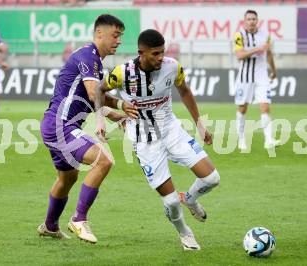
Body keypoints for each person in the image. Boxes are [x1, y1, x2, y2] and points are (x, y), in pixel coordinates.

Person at [100, 29, 221, 250]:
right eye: (155, 54)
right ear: (141, 53)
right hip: (145, 142)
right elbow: (99, 91)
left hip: (172, 131)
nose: (160, 58)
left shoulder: (172, 67)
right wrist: (115, 108)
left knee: (212, 178)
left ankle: (191, 199)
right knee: (171, 202)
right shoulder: (121, 73)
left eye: (162, 52)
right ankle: (185, 233)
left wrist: (200, 124)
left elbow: (184, 91)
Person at [37, 14, 136, 244]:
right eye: (115, 35)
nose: (119, 40)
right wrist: (105, 119)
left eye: (120, 36)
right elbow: (94, 95)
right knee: (104, 161)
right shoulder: (87, 56)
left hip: (56, 125)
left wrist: (120, 110)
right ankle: (79, 218)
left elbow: (98, 96)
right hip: (61, 126)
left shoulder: (95, 62)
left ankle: (50, 226)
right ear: (99, 34)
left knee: (67, 179)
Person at [233, 10, 279, 151]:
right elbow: (239, 55)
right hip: (245, 77)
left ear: (257, 20)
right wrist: (257, 49)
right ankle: (241, 139)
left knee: (265, 106)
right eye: (249, 19)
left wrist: (273, 70)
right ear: (245, 21)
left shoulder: (266, 35)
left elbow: (269, 53)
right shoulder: (239, 35)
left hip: (262, 76)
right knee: (242, 108)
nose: (251, 21)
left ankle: (269, 140)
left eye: (254, 19)